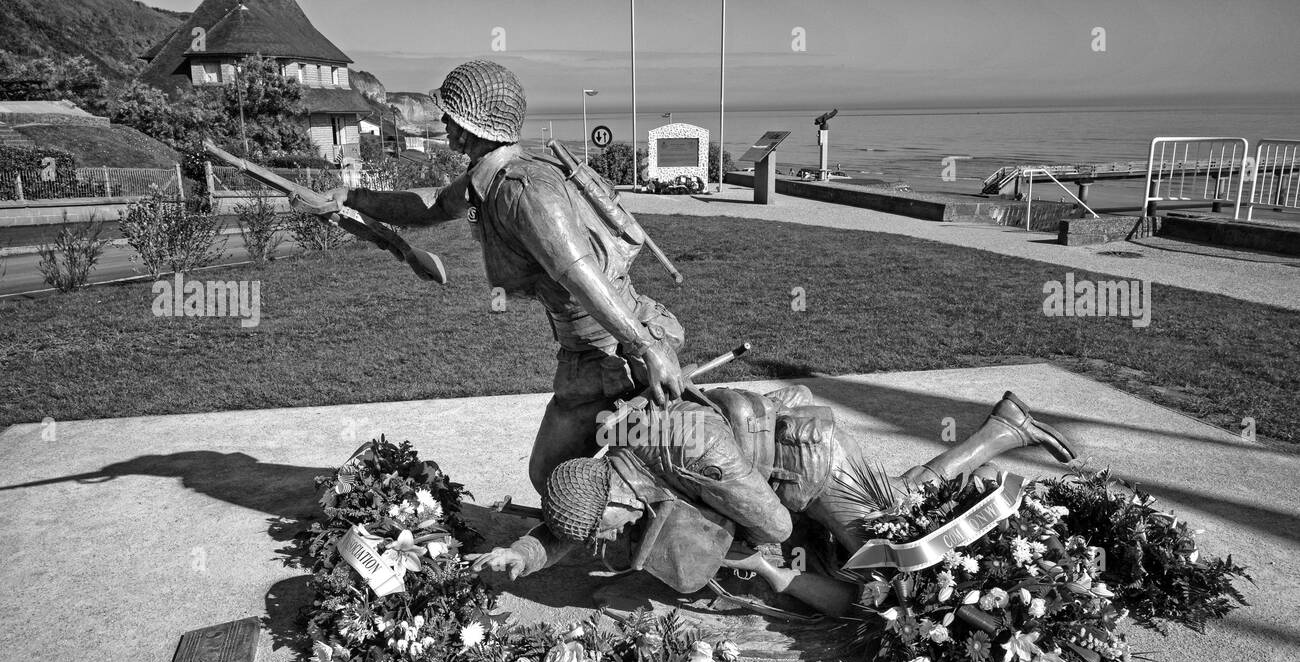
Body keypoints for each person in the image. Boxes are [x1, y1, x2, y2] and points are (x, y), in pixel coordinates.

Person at [293, 59, 686, 492]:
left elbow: (581, 275)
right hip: (586, 352)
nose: (443, 122)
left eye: (450, 115)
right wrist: (352, 197)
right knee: (552, 475)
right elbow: (434, 206)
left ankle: (645, 518)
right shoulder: (489, 179)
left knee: (558, 476)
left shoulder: (523, 191)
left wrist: (646, 348)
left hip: (613, 354)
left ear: (470, 126)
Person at [470, 386, 1075, 616]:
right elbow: (567, 528)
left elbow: (775, 524)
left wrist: (740, 556)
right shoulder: (601, 477)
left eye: (612, 528)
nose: (612, 538)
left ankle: (1001, 435)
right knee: (892, 510)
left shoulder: (688, 445)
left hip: (805, 464)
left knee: (892, 542)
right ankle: (1003, 429)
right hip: (769, 473)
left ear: (618, 495)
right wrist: (520, 558)